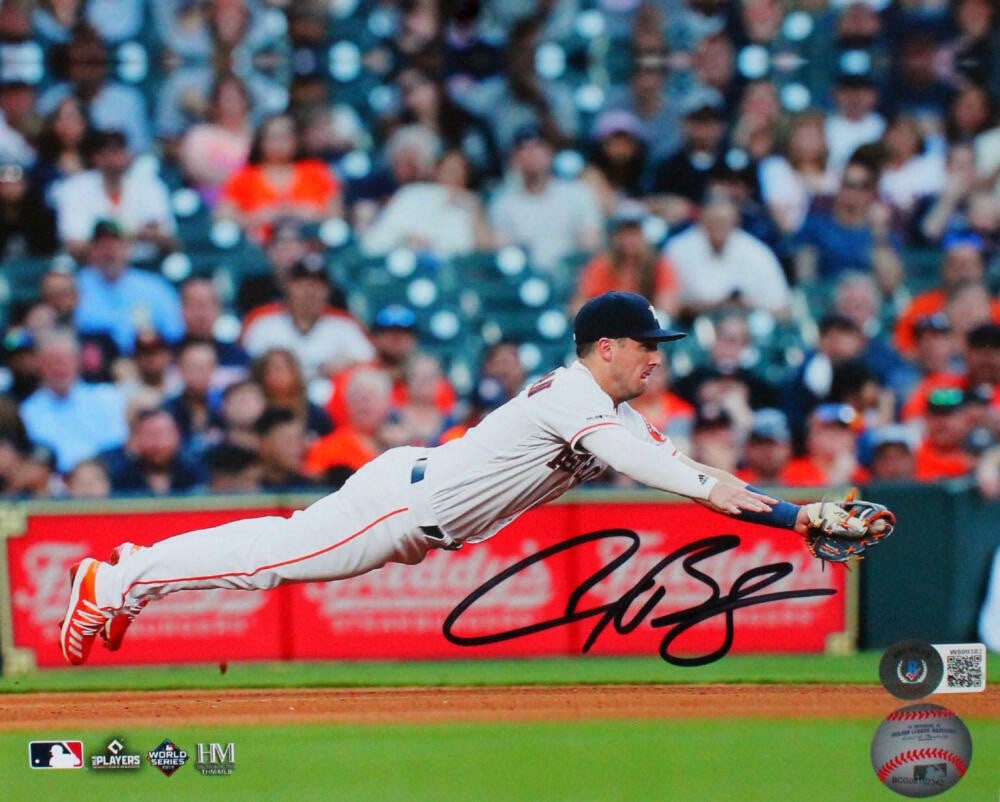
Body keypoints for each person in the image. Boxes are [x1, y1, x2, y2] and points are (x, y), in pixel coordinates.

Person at [58, 291, 824, 666]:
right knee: (269, 561)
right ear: (606, 348)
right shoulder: (572, 394)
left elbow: (694, 470)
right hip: (403, 503)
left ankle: (130, 579)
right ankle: (115, 580)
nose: (657, 355)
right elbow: (650, 469)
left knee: (273, 555)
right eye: (645, 343)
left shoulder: (614, 414)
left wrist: (799, 518)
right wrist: (708, 486)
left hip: (419, 505)